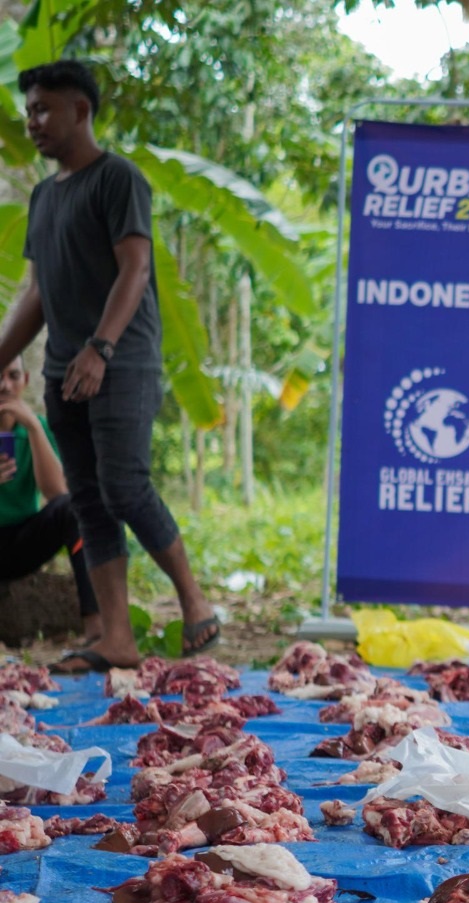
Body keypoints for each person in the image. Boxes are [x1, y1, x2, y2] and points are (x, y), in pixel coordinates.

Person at [1, 59, 218, 673]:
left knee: (125, 484)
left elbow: (136, 270)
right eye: (29, 110)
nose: (33, 121)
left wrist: (101, 348)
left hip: (120, 360)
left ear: (80, 110)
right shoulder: (43, 197)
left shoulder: (118, 178)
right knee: (90, 501)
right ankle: (116, 638)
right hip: (64, 368)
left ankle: (195, 604)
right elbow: (37, 295)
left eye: (44, 108)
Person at [0, 351, 100, 635]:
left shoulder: (38, 428)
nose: (4, 385)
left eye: (13, 376)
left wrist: (32, 427)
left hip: (22, 541)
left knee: (74, 509)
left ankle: (96, 625)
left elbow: (58, 493)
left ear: (25, 381)